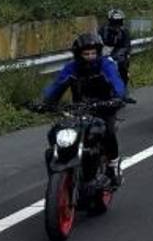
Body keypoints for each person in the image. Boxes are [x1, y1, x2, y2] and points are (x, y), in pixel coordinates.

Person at [40, 33, 126, 183]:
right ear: (79, 54)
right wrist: (45, 102)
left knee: (108, 132)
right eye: (86, 53)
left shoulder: (106, 65)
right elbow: (57, 85)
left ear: (98, 53)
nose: (90, 56)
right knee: (56, 133)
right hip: (78, 108)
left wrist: (118, 98)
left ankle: (113, 164)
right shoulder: (71, 68)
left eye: (93, 53)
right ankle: (59, 175)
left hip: (104, 106)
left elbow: (116, 82)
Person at [98, 8, 137, 102]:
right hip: (104, 52)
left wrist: (120, 55)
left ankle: (124, 92)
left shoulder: (124, 31)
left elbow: (126, 46)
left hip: (118, 53)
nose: (117, 24)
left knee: (123, 66)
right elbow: (97, 41)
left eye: (119, 21)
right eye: (114, 21)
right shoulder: (103, 30)